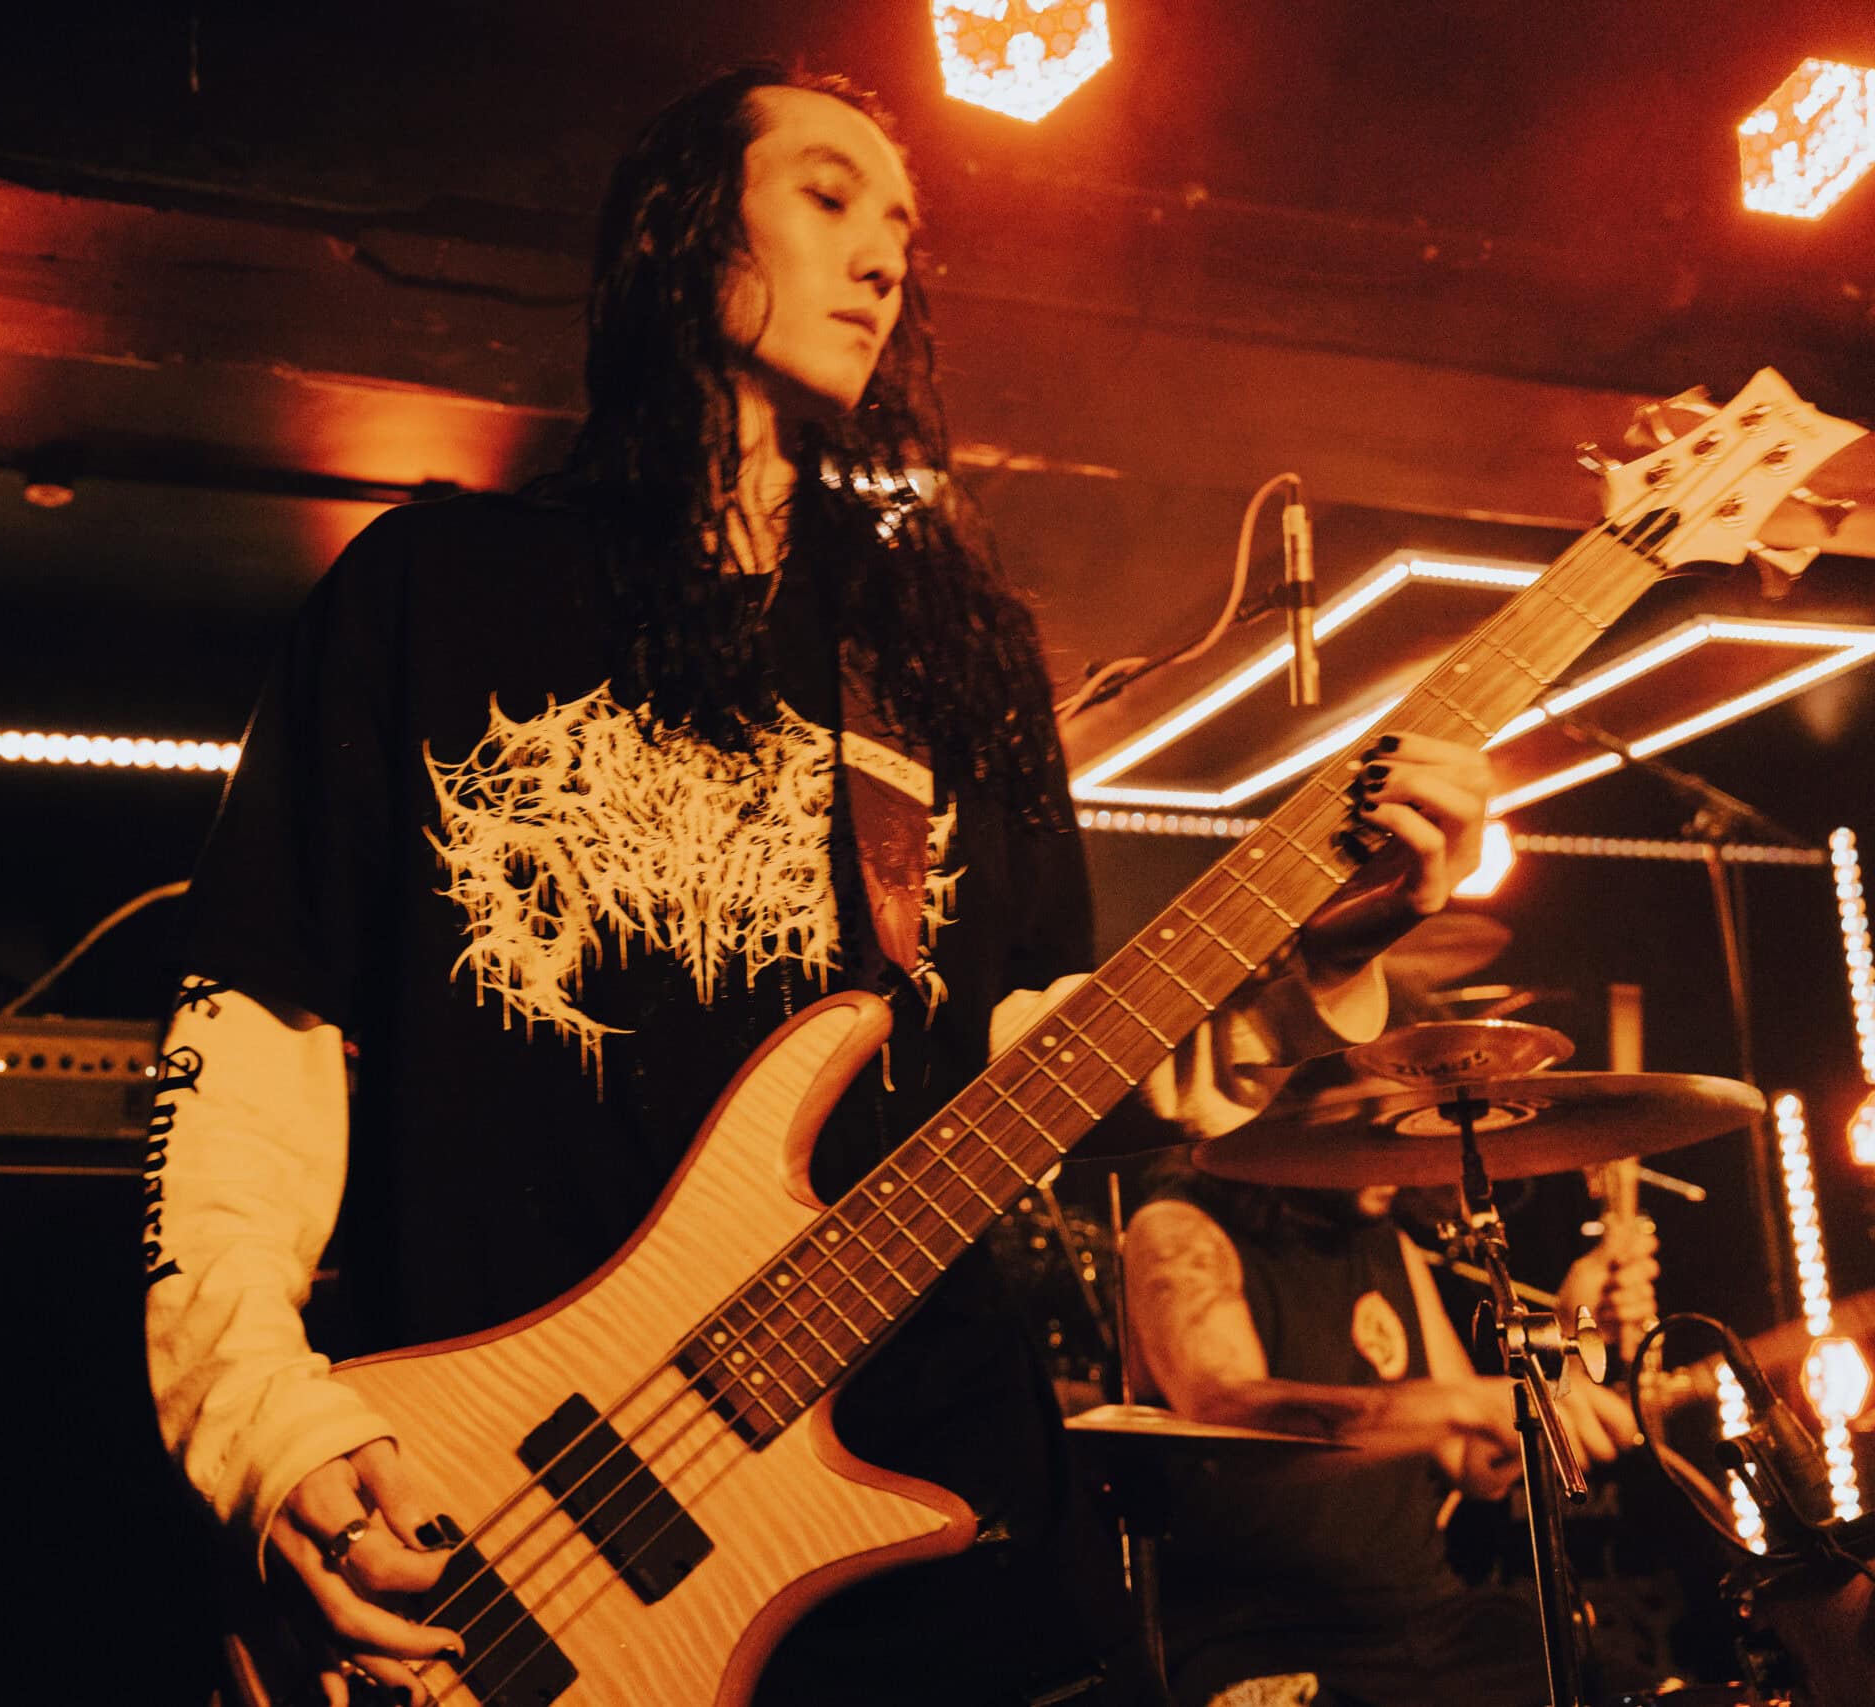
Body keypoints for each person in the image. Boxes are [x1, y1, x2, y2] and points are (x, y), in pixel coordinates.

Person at [141, 65, 1492, 1706]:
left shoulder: (943, 653)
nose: (883, 258)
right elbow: (256, 1040)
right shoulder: (430, 592)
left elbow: (1028, 1056)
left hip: (942, 1548)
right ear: (684, 236)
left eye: (903, 227)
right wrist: (267, 1424)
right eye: (829, 196)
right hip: (515, 1514)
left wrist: (1302, 959)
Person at [1121, 1164, 1658, 1707]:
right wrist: (1461, 1402)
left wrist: (1559, 1353)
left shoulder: (1387, 1243)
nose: (1393, 1160)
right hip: (1262, 1638)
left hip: (1428, 1620)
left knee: (1640, 1691)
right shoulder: (1180, 1228)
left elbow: (1471, 1461)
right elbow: (1223, 1414)